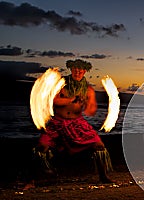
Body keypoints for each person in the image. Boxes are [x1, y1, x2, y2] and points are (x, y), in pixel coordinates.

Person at [24, 59, 114, 190]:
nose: (78, 72)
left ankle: (104, 176)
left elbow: (90, 111)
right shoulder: (61, 85)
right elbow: (54, 101)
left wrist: (86, 104)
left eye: (80, 69)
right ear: (71, 70)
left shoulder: (88, 90)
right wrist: (72, 99)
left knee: (99, 146)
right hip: (57, 123)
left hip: (77, 123)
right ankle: (31, 180)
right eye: (75, 69)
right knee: (41, 148)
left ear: (85, 71)